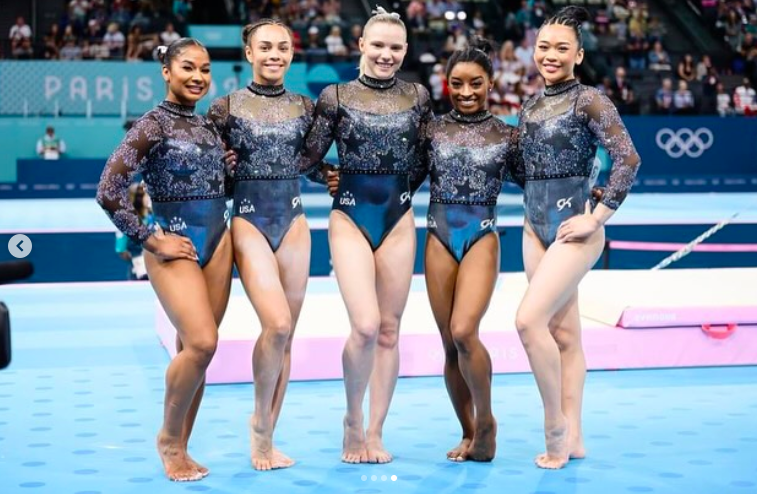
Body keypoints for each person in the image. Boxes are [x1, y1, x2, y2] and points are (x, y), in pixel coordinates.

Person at [96, 38, 236, 482]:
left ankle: (183, 445)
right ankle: (169, 441)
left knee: (194, 351)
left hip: (218, 242)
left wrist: (227, 170)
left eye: (206, 70)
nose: (198, 77)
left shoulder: (209, 128)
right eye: (188, 68)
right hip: (175, 245)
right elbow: (108, 190)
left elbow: (217, 188)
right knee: (202, 342)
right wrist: (149, 239)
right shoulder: (151, 126)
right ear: (167, 72)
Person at [303, 7, 432, 464]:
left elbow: (424, 158)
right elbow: (306, 157)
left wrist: (403, 194)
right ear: (360, 45)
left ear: (405, 51)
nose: (386, 54)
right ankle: (352, 420)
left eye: (395, 47)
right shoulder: (335, 96)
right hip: (350, 217)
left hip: (398, 219)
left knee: (390, 331)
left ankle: (376, 431)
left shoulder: (418, 96)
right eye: (378, 45)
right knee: (365, 325)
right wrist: (329, 177)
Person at [515, 6, 641, 469]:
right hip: (533, 228)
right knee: (563, 334)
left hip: (574, 230)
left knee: (528, 322)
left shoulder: (590, 100)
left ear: (579, 54)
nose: (550, 54)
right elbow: (523, 169)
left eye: (561, 48)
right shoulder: (530, 104)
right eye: (544, 46)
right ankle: (577, 435)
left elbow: (628, 159)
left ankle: (556, 429)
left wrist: (600, 216)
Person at [207, 18, 329, 471]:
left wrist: (332, 175)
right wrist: (222, 164)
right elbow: (208, 166)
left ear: (291, 53)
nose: (274, 54)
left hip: (294, 220)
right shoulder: (226, 107)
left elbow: (310, 162)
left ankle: (268, 432)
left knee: (288, 336)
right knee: (276, 325)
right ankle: (259, 425)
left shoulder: (304, 106)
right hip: (249, 221)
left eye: (282, 47)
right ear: (249, 54)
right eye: (265, 47)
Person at [415, 37, 521, 462]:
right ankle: (468, 430)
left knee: (464, 331)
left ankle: (488, 420)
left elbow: (541, 180)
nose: (465, 92)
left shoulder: (506, 135)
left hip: (482, 235)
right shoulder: (432, 131)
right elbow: (403, 177)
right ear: (446, 84)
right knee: (448, 344)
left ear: (490, 83)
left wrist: (589, 194)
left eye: (475, 83)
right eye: (456, 84)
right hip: (438, 236)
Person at [114, 182, 154, 280]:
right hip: (139, 271)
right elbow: (121, 250)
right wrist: (137, 259)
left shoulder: (154, 217)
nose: (149, 197)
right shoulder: (127, 222)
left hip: (158, 269)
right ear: (137, 199)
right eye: (145, 195)